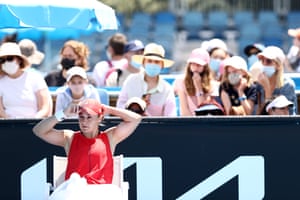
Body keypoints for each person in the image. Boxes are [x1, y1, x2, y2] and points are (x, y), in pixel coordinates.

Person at [32, 99, 141, 198]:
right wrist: (63, 113)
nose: (84, 122)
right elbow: (38, 130)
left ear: (100, 118)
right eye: (81, 117)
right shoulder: (69, 138)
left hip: (101, 193)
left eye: (89, 117)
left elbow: (136, 119)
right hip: (75, 193)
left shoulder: (110, 137)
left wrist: (109, 109)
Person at [116, 43, 177, 116]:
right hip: (131, 125)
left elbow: (171, 117)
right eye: (149, 61)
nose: (153, 64)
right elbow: (120, 106)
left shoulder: (167, 90)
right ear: (143, 63)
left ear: (162, 65)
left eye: (157, 62)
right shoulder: (131, 81)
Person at [0, 42, 52, 118]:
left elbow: (45, 107)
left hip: (34, 125)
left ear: (19, 60)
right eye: (2, 60)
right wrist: (11, 122)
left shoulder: (35, 78)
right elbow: (1, 111)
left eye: (10, 58)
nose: (6, 62)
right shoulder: (1, 82)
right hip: (9, 127)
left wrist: (32, 121)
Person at [173, 48, 220, 116]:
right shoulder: (180, 81)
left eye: (199, 65)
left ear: (205, 67)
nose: (195, 67)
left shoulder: (212, 85)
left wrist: (198, 88)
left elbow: (204, 110)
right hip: (188, 123)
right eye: (193, 64)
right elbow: (184, 111)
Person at [256, 46, 297, 115]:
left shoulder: (287, 85)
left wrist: (267, 91)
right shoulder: (259, 85)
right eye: (262, 60)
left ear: (278, 65)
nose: (264, 64)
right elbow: (255, 115)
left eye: (268, 61)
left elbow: (287, 114)